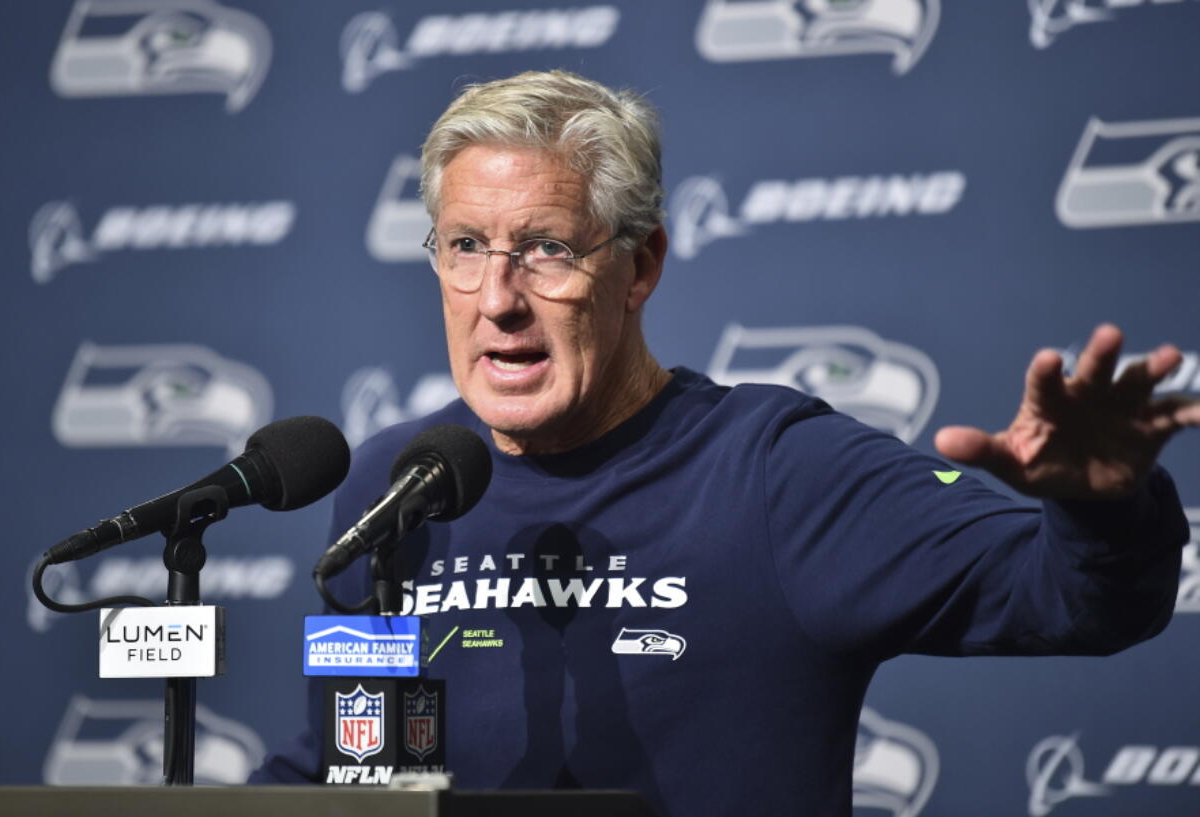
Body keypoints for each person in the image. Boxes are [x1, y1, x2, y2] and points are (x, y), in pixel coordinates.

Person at [252, 70, 1197, 816]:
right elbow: (353, 759)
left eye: (546, 249)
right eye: (464, 246)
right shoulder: (395, 484)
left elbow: (1074, 602)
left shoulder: (780, 471)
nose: (498, 299)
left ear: (641, 265)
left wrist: (1103, 507)